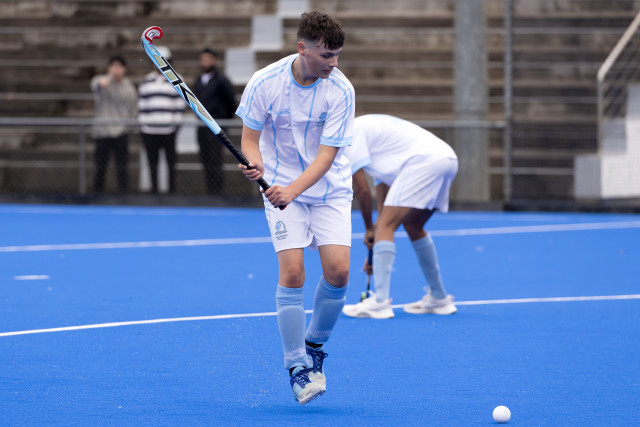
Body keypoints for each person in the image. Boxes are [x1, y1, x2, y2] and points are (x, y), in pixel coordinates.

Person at [236, 11, 354, 404]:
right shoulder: (264, 82)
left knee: (338, 273)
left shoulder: (341, 90)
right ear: (302, 48)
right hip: (279, 190)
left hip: (329, 190)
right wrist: (256, 164)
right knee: (292, 272)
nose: (333, 63)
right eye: (326, 55)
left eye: (337, 55)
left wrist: (293, 190)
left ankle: (314, 346)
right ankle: (296, 367)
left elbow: (326, 157)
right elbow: (249, 139)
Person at [341, 114, 458, 319]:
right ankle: (439, 297)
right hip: (447, 159)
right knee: (413, 225)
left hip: (423, 162)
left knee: (386, 226)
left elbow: (363, 191)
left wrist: (371, 229)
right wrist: (376, 240)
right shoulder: (375, 138)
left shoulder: (348, 135)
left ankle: (379, 303)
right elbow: (383, 194)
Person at [138, 46, 185, 194]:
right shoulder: (146, 80)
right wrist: (144, 126)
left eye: (162, 60)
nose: (158, 64)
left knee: (171, 163)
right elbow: (142, 106)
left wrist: (174, 126)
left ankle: (172, 192)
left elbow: (180, 106)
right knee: (152, 163)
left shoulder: (176, 79)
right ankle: (154, 191)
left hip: (169, 130)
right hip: (149, 131)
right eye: (155, 61)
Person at [90, 55, 137, 194]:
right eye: (113, 66)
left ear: (124, 69)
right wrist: (101, 82)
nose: (116, 69)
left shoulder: (129, 88)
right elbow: (95, 83)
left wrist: (128, 128)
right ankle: (97, 195)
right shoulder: (103, 82)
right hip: (103, 133)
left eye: (119, 66)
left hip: (121, 133)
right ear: (109, 68)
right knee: (100, 168)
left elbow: (133, 111)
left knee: (122, 168)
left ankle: (124, 196)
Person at [193, 47, 236, 194]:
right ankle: (209, 190)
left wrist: (223, 121)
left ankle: (217, 192)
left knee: (215, 159)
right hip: (202, 128)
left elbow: (231, 102)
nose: (205, 61)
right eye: (202, 59)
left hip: (217, 127)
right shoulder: (198, 80)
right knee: (205, 159)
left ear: (215, 60)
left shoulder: (222, 80)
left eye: (208, 59)